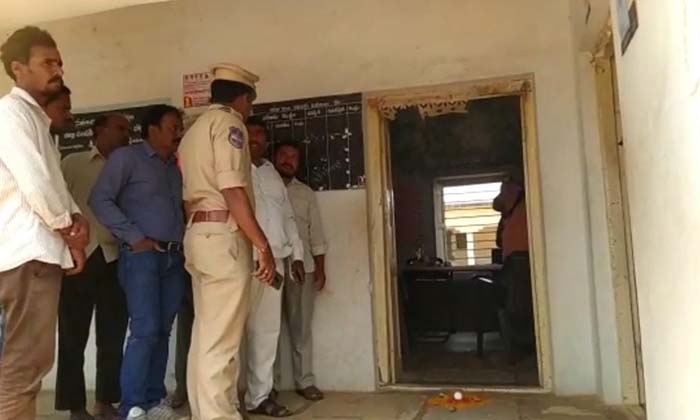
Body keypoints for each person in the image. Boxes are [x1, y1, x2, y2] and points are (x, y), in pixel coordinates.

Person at [0, 26, 89, 419]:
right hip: (29, 254)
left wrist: (75, 221)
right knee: (25, 367)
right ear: (19, 69)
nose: (58, 69)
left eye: (59, 62)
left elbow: (52, 183)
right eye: (47, 63)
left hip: (35, 252)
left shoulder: (35, 120)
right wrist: (69, 230)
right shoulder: (12, 113)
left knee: (25, 364)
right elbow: (36, 184)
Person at [178, 63, 275, 420]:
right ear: (242, 97)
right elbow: (232, 189)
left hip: (198, 235)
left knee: (205, 338)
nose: (249, 109)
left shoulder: (193, 130)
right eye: (249, 101)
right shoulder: (230, 124)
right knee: (222, 344)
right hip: (224, 239)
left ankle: (208, 413)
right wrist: (262, 246)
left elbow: (190, 197)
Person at [89, 105, 186, 420]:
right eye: (173, 126)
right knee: (144, 329)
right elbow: (99, 199)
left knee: (162, 330)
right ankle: (131, 405)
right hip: (142, 257)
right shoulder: (126, 159)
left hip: (173, 256)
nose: (179, 132)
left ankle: (154, 399)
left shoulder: (174, 167)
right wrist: (133, 236)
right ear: (152, 129)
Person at [56, 114, 131, 420]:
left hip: (115, 258)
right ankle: (75, 407)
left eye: (128, 130)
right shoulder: (72, 163)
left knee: (112, 336)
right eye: (120, 129)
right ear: (99, 130)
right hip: (78, 258)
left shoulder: (128, 165)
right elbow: (58, 207)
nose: (127, 135)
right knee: (73, 336)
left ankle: (105, 402)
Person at [244, 117, 305, 417]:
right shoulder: (233, 166)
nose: (255, 138)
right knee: (228, 332)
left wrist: (297, 257)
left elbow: (289, 217)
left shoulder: (270, 172)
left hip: (276, 261)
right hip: (242, 261)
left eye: (260, 135)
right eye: (249, 133)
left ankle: (258, 397)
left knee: (266, 332)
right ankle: (223, 400)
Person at [272, 141, 327, 402]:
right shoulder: (262, 188)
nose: (288, 160)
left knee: (301, 328)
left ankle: (305, 381)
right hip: (269, 267)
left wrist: (320, 268)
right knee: (267, 329)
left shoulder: (305, 193)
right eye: (283, 155)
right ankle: (267, 386)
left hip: (302, 268)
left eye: (293, 157)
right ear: (274, 157)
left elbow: (315, 233)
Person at [493, 177, 533, 363]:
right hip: (515, 261)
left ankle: (520, 349)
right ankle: (519, 347)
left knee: (517, 307)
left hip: (521, 261)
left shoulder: (520, 198)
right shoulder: (514, 209)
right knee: (515, 305)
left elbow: (497, 203)